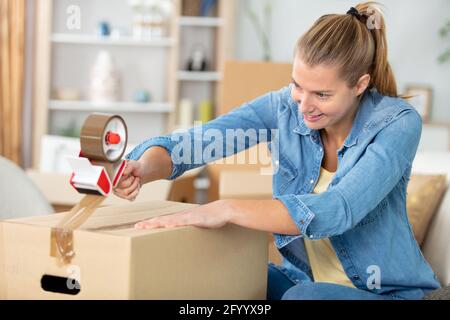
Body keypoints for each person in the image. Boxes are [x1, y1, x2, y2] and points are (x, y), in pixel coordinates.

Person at [114, 2, 440, 300]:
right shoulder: (285, 106)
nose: (304, 106)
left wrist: (226, 208)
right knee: (221, 275)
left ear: (359, 84)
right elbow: (199, 142)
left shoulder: (397, 123)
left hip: (387, 294)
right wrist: (143, 167)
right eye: (298, 85)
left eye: (322, 95)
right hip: (303, 282)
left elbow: (338, 208)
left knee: (304, 298)